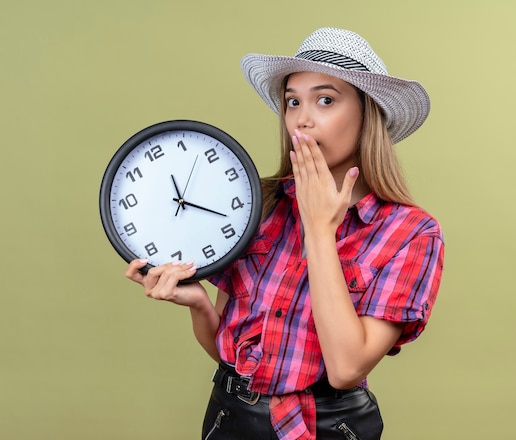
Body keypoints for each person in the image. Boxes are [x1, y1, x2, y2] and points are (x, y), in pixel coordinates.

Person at [125, 27, 444, 440]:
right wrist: (200, 307)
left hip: (327, 427)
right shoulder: (262, 202)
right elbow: (232, 353)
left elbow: (348, 368)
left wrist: (318, 229)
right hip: (229, 418)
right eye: (293, 101)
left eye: (325, 100)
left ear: (369, 113)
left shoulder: (411, 233)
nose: (302, 118)